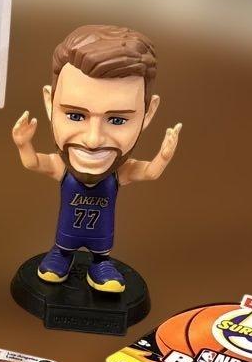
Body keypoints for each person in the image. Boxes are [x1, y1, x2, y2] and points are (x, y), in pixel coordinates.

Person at [11, 24, 181, 293]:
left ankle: (100, 265)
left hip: (101, 237)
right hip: (66, 234)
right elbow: (33, 162)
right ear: (49, 103)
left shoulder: (119, 173)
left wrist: (164, 156)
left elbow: (150, 172)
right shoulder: (62, 168)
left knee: (101, 255)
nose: (93, 140)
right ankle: (61, 256)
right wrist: (23, 144)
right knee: (62, 249)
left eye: (117, 120)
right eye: (75, 115)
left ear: (148, 113)